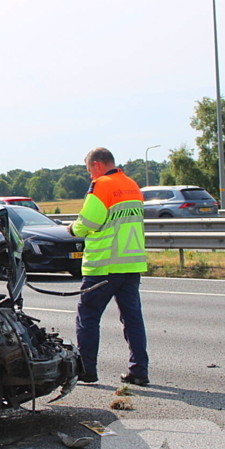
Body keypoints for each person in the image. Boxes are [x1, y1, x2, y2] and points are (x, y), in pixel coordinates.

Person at [67, 147, 149, 386]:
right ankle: (139, 371)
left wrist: (72, 229)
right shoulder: (132, 185)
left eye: (89, 170)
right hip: (130, 263)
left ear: (96, 165)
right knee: (132, 318)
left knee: (88, 317)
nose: (90, 176)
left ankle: (88, 370)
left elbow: (89, 222)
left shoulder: (101, 185)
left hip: (104, 264)